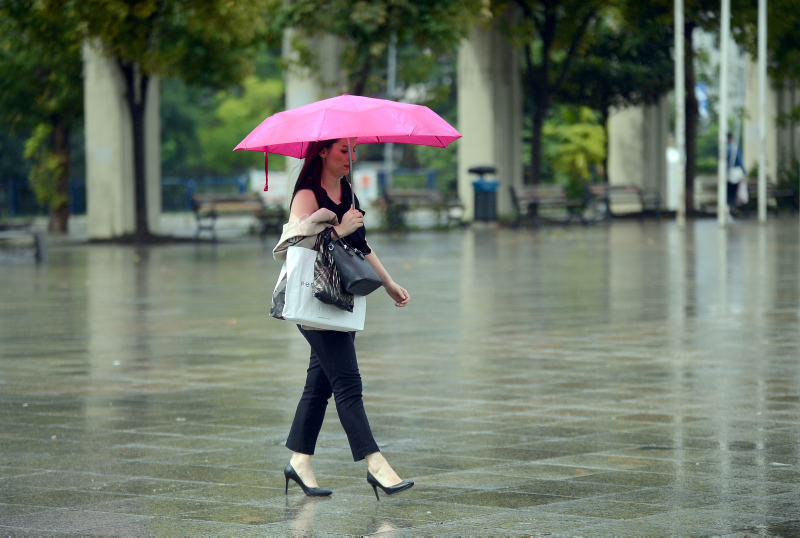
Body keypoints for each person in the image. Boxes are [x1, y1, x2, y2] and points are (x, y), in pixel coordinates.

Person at [275, 138, 414, 501]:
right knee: (348, 384)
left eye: (352, 151)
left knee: (319, 386)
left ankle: (299, 461)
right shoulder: (307, 194)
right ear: (322, 152)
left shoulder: (347, 191)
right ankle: (376, 465)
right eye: (342, 150)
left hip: (339, 298)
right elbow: (293, 249)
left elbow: (362, 247)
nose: (350, 157)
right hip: (313, 297)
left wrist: (388, 282)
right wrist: (339, 230)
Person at [726, 132, 745, 215]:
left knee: (727, 192)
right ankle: (732, 208)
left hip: (726, 174)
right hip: (735, 174)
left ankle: (728, 207)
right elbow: (740, 161)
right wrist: (744, 172)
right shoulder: (735, 148)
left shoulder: (724, 148)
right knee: (733, 192)